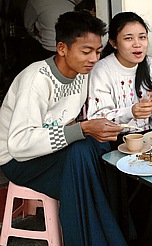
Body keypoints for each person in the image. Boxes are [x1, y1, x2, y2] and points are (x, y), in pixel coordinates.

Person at [0, 11, 127, 245]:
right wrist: (82, 129)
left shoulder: (82, 75)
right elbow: (18, 144)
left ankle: (109, 236)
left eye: (98, 52)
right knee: (82, 159)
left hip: (49, 152)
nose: (93, 59)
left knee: (104, 152)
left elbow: (71, 124)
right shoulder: (36, 80)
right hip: (17, 160)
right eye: (86, 51)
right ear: (62, 49)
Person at [87, 11, 152, 148]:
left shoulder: (151, 66)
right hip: (115, 141)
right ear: (114, 43)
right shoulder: (102, 70)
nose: (137, 44)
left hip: (150, 137)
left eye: (142, 37)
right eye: (128, 38)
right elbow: (97, 120)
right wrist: (131, 112)